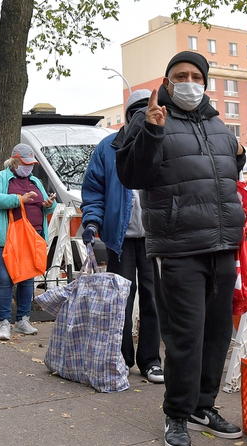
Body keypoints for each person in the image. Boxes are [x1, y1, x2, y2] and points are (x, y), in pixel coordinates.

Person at [115, 51, 245, 446]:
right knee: (185, 335)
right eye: (179, 76)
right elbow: (130, 175)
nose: (188, 81)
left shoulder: (219, 125)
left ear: (204, 82)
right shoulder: (150, 118)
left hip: (223, 244)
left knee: (217, 334)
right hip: (179, 245)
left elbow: (223, 176)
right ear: (168, 82)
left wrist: (240, 155)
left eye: (195, 75)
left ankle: (203, 406)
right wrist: (152, 132)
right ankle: (176, 413)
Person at [81, 89, 164, 384]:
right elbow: (93, 191)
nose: (141, 115)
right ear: (128, 115)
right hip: (120, 239)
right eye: (136, 110)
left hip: (156, 237)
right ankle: (121, 356)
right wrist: (91, 222)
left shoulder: (163, 141)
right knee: (121, 301)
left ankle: (151, 360)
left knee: (155, 300)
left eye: (147, 108)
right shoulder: (107, 147)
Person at [0, 143, 57, 341]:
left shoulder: (35, 180)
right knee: (4, 279)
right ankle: (4, 322)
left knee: (27, 278)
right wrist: (19, 199)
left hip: (32, 236)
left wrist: (49, 205)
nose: (29, 167)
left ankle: (23, 320)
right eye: (25, 163)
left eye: (31, 164)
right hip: (6, 237)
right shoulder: (0, 178)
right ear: (14, 161)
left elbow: (47, 207)